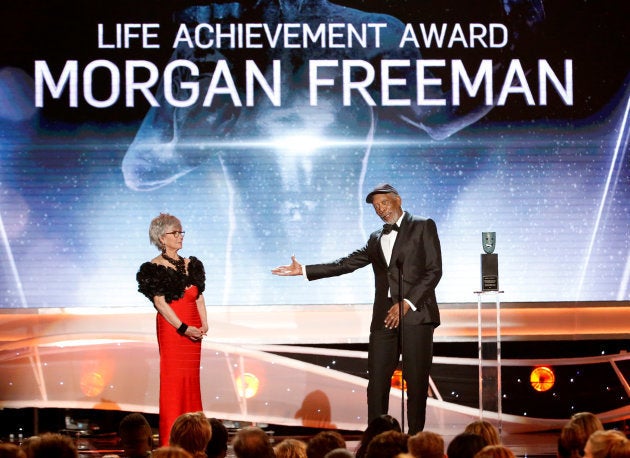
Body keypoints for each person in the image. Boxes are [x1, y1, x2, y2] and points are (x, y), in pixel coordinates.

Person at [272, 183, 442, 434]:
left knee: (416, 383)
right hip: (384, 317)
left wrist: (406, 302)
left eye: (384, 203)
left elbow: (434, 270)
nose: (380, 210)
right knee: (376, 382)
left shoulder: (423, 225)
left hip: (415, 315)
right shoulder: (375, 238)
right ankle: (377, 439)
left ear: (398, 200)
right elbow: (346, 264)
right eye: (376, 207)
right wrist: (306, 270)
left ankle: (416, 439)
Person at [136, 213, 208, 445]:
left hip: (194, 330)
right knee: (173, 382)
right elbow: (160, 303)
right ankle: (170, 442)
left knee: (191, 380)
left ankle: (195, 439)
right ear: (161, 237)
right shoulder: (153, 267)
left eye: (181, 232)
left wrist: (204, 323)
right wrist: (184, 328)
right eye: (174, 233)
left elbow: (199, 296)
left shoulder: (192, 264)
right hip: (173, 329)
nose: (180, 237)